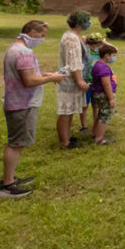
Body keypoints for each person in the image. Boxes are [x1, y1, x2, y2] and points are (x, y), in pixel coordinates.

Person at [0, 20, 66, 198]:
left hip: (16, 101)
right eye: (42, 35)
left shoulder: (14, 48)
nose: (43, 39)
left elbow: (28, 74)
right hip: (22, 104)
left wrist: (49, 74)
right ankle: (7, 186)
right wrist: (52, 79)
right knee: (16, 144)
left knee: (16, 142)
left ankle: (10, 178)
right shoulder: (24, 53)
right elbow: (29, 81)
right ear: (31, 31)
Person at [56, 10, 91, 149]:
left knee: (69, 110)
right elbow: (74, 61)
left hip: (71, 79)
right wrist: (79, 80)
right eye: (87, 20)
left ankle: (67, 138)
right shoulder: (71, 39)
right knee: (65, 111)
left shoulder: (73, 36)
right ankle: (65, 142)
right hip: (70, 80)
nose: (89, 23)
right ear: (80, 22)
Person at [91, 43, 119, 145]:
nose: (113, 58)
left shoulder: (98, 64)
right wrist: (111, 98)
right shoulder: (103, 68)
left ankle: (95, 132)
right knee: (105, 116)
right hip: (104, 95)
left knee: (100, 114)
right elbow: (106, 84)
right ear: (107, 55)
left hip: (98, 94)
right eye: (113, 55)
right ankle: (99, 139)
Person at [83, 32, 105, 129]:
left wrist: (106, 44)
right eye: (95, 45)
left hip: (97, 83)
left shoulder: (101, 54)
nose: (96, 47)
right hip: (86, 82)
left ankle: (95, 126)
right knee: (84, 106)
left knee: (96, 106)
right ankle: (84, 126)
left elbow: (114, 51)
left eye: (99, 45)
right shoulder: (85, 52)